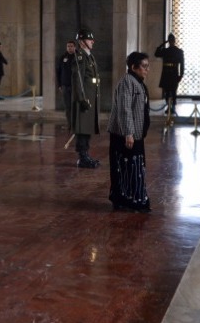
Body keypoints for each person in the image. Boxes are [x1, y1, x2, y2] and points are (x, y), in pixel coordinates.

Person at [108, 52, 152, 213]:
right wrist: (128, 133)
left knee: (135, 167)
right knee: (126, 168)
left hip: (136, 134)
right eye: (144, 66)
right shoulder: (127, 82)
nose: (147, 70)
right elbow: (124, 109)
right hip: (125, 135)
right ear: (133, 67)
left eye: (148, 66)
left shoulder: (138, 81)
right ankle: (128, 199)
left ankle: (132, 198)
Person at [71, 28, 101, 168]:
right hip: (84, 100)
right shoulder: (80, 57)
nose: (92, 41)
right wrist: (82, 99)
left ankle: (86, 155)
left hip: (90, 98)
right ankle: (82, 157)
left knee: (87, 128)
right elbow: (78, 80)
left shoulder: (89, 56)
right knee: (82, 129)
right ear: (82, 42)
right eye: (90, 39)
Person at [154, 33, 184, 115]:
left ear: (174, 41)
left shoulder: (179, 51)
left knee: (173, 91)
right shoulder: (165, 51)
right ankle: (168, 107)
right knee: (166, 91)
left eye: (171, 40)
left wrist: (181, 75)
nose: (171, 42)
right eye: (169, 40)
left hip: (174, 73)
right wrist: (163, 44)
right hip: (166, 73)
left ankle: (173, 107)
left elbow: (182, 64)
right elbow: (156, 54)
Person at [56, 40, 76, 127]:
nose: (70, 48)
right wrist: (59, 85)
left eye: (71, 46)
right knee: (68, 107)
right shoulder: (63, 57)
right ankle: (70, 124)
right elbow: (58, 72)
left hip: (75, 86)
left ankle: (76, 124)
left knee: (75, 106)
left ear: (75, 47)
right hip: (65, 86)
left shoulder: (78, 57)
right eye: (68, 46)